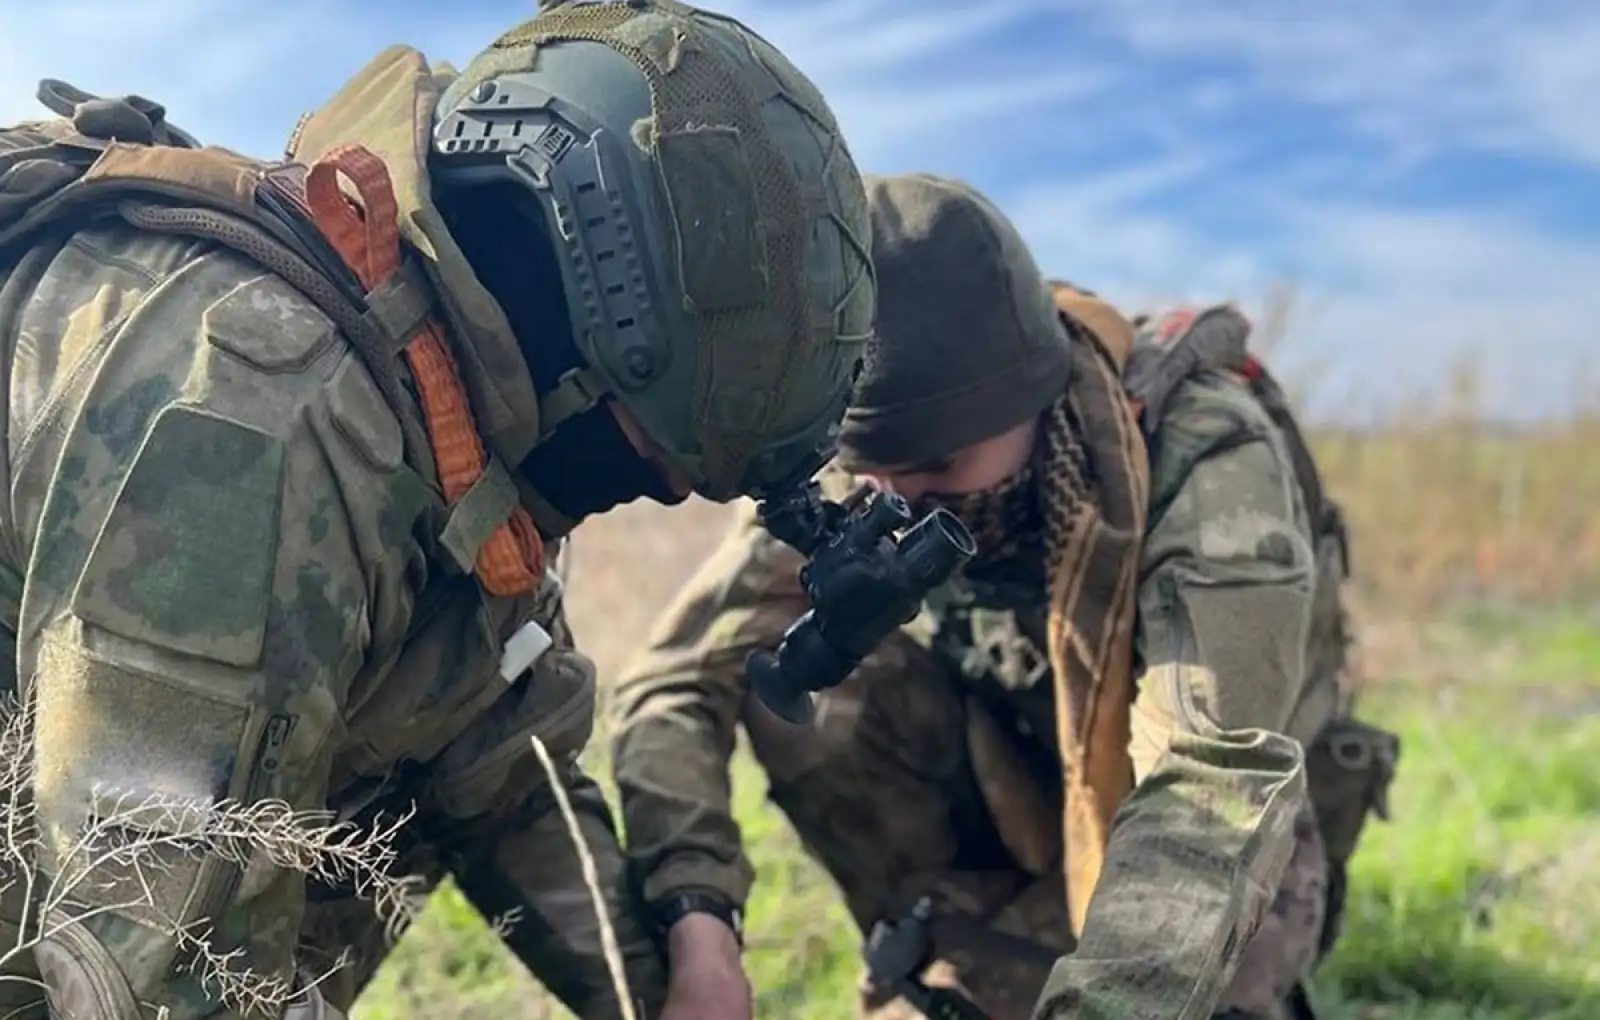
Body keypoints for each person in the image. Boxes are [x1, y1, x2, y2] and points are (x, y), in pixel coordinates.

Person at [0, 2, 875, 1018]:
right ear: (585, 321)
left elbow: (497, 757)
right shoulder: (262, 416)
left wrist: (685, 959)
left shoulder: (446, 405)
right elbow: (163, 973)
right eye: (651, 456)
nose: (665, 493)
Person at [609, 172, 1400, 1020]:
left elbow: (1213, 779)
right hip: (1021, 786)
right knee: (808, 685)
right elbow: (675, 680)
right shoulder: (863, 478)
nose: (899, 503)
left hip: (1224, 827)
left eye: (939, 468)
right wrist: (700, 925)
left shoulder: (1202, 459)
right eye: (873, 471)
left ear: (1034, 400)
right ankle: (959, 941)